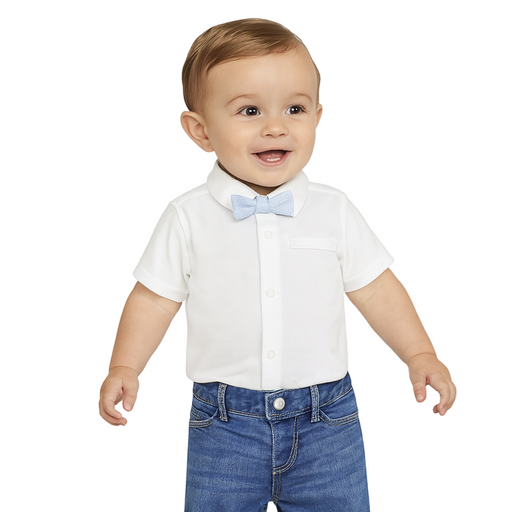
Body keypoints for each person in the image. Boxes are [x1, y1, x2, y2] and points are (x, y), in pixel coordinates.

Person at [99, 18, 456, 511]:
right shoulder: (187, 217)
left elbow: (376, 288)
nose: (276, 126)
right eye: (250, 110)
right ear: (200, 130)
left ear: (317, 116)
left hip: (327, 421)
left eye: (295, 108)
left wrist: (419, 353)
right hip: (225, 424)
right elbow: (154, 299)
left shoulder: (334, 209)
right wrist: (125, 365)